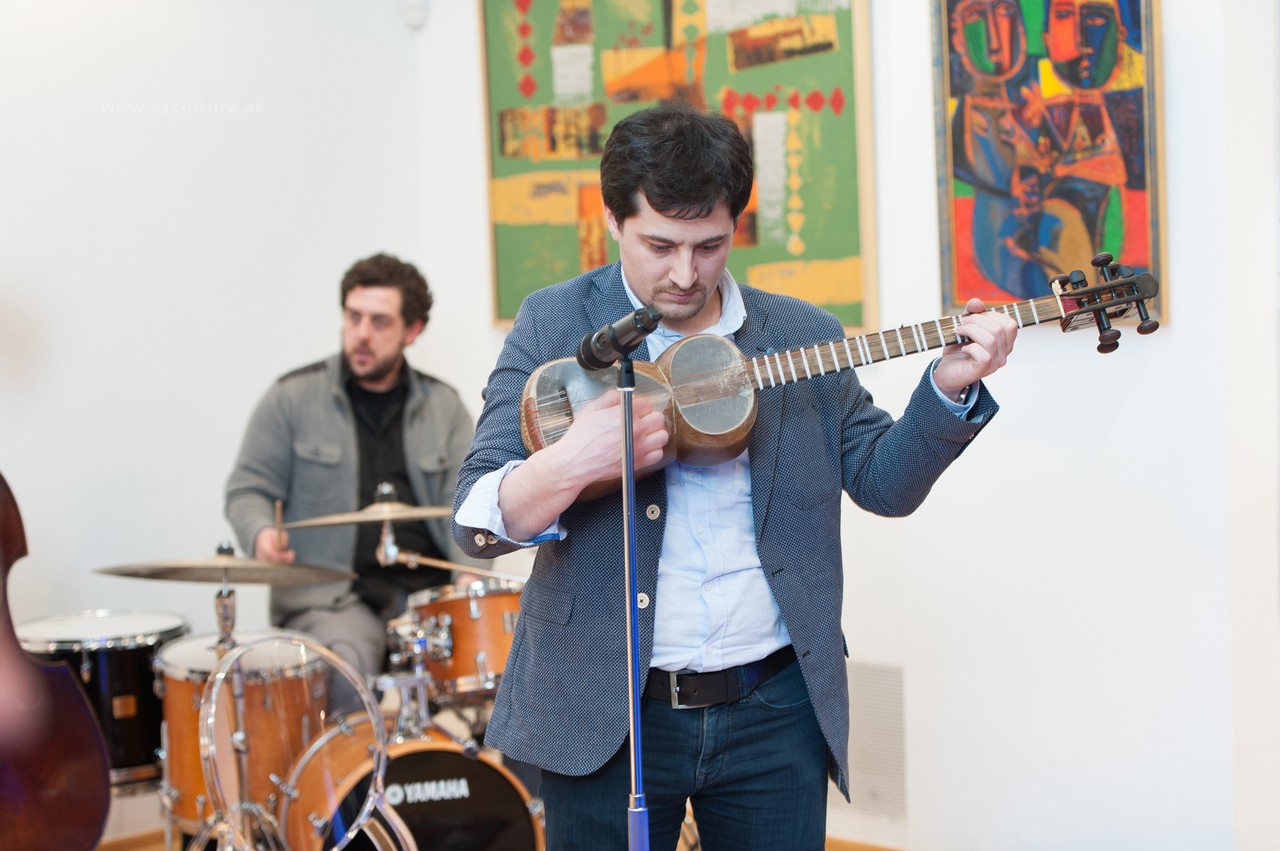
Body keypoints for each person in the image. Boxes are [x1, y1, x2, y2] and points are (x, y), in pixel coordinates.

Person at [452, 101, 1018, 849]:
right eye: (660, 244)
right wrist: (570, 463)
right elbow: (476, 520)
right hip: (606, 708)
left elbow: (884, 484)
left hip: (774, 707)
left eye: (709, 246)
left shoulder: (801, 334)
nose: (684, 273)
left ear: (735, 228)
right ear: (613, 220)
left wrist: (947, 387)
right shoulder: (554, 322)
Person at [225, 253, 482, 686]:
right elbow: (247, 490)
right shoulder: (291, 397)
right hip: (331, 599)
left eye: (380, 322)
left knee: (511, 662)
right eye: (353, 317)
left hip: (428, 597)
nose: (362, 334)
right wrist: (262, 534)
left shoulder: (445, 407)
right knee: (347, 665)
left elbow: (471, 502)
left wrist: (467, 577)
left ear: (412, 331)